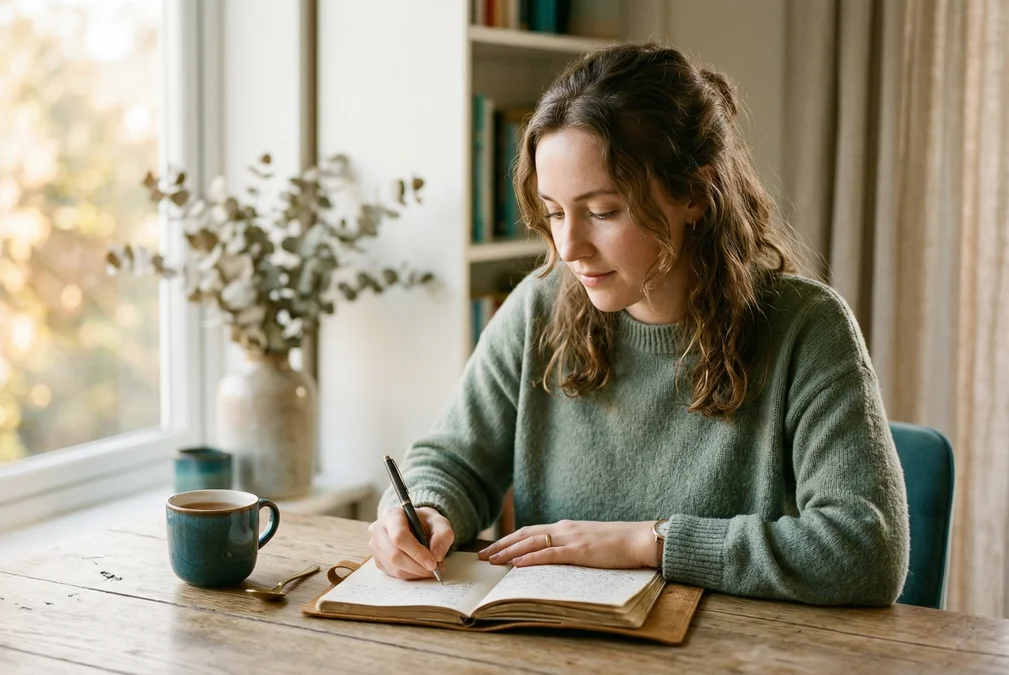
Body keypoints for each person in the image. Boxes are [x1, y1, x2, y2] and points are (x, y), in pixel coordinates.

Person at [370, 42, 910, 606]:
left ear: (696, 195)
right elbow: (453, 458)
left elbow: (865, 552)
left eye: (603, 212)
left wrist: (647, 543)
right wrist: (420, 510)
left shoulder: (808, 327)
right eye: (555, 212)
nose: (569, 246)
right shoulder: (538, 309)